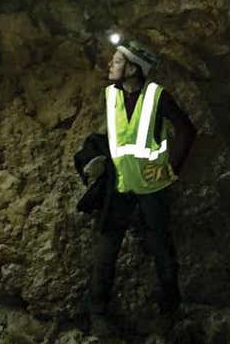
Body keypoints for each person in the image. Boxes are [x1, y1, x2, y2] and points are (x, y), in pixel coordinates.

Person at [74, 37, 196, 338]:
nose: (110, 65)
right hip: (121, 183)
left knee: (161, 248)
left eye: (116, 61)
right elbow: (118, 136)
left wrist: (171, 169)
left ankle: (170, 310)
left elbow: (186, 130)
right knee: (107, 247)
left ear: (132, 68)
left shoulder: (157, 96)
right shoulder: (112, 96)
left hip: (151, 185)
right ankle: (98, 311)